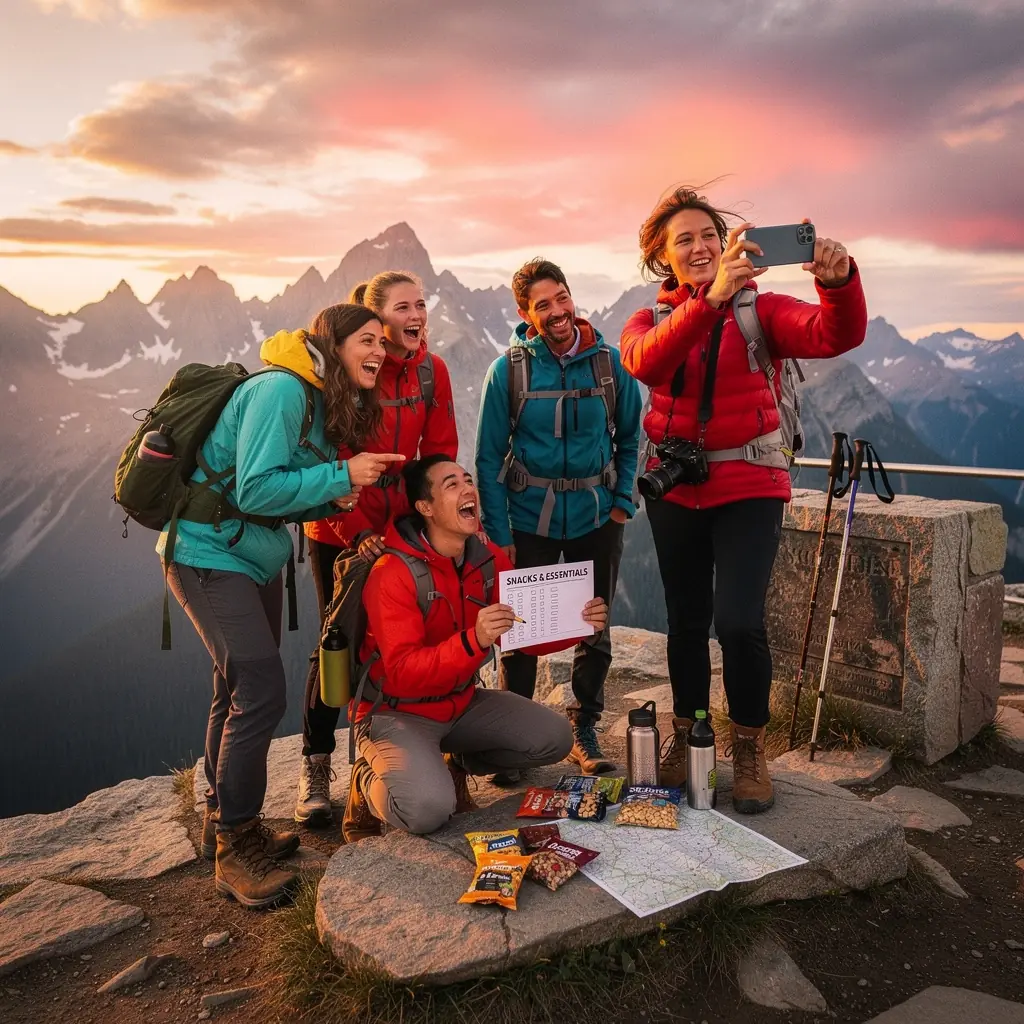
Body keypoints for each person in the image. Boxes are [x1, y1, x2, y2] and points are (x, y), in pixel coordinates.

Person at [619, 186, 867, 813]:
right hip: (676, 489)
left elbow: (834, 335)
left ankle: (749, 745)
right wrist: (711, 300)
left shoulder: (763, 310)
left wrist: (838, 285)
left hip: (751, 483)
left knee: (737, 621)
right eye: (685, 240)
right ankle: (690, 734)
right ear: (663, 258)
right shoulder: (648, 320)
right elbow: (646, 364)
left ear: (728, 243)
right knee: (686, 622)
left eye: (709, 235)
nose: (700, 246)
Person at [160, 304, 405, 907]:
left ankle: (231, 824)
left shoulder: (318, 400)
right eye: (368, 340)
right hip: (207, 553)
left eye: (385, 342)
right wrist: (341, 472)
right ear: (334, 344)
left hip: (248, 554)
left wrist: (336, 494)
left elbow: (277, 494)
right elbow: (254, 487)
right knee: (262, 690)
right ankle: (234, 851)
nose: (381, 350)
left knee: (234, 687)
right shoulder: (282, 390)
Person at [343, 454, 609, 842]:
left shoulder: (486, 560)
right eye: (452, 484)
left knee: (555, 738)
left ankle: (452, 763)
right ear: (425, 508)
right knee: (428, 810)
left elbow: (520, 631)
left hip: (459, 702)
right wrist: (474, 640)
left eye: (468, 480)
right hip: (395, 711)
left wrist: (577, 624)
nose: (469, 489)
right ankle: (368, 780)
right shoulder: (392, 574)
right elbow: (401, 672)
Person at [294, 271, 458, 827]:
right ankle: (315, 766)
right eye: (404, 307)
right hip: (338, 523)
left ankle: (384, 758)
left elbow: (437, 454)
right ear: (375, 321)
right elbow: (328, 457)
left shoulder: (433, 373)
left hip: (403, 525)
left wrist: (431, 525)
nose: (417, 315)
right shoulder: (349, 369)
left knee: (407, 638)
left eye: (422, 304)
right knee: (338, 641)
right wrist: (359, 532)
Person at [474, 259, 641, 779]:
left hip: (596, 516)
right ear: (526, 314)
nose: (557, 311)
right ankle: (513, 739)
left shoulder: (610, 366)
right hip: (529, 520)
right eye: (542, 305)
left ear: (572, 297)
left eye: (562, 297)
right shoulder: (509, 371)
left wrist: (622, 504)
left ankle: (584, 727)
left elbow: (632, 438)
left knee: (594, 625)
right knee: (519, 630)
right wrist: (501, 538)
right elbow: (487, 457)